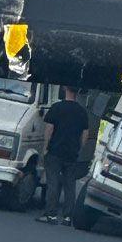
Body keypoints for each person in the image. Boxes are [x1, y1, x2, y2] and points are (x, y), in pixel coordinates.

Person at [36, 86, 89, 226]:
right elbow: (85, 134)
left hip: (55, 151)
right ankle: (67, 217)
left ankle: (50, 215)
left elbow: (49, 128)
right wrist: (79, 148)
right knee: (70, 185)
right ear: (77, 92)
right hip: (71, 154)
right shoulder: (82, 112)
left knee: (53, 183)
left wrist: (45, 147)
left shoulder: (56, 108)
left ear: (65, 89)